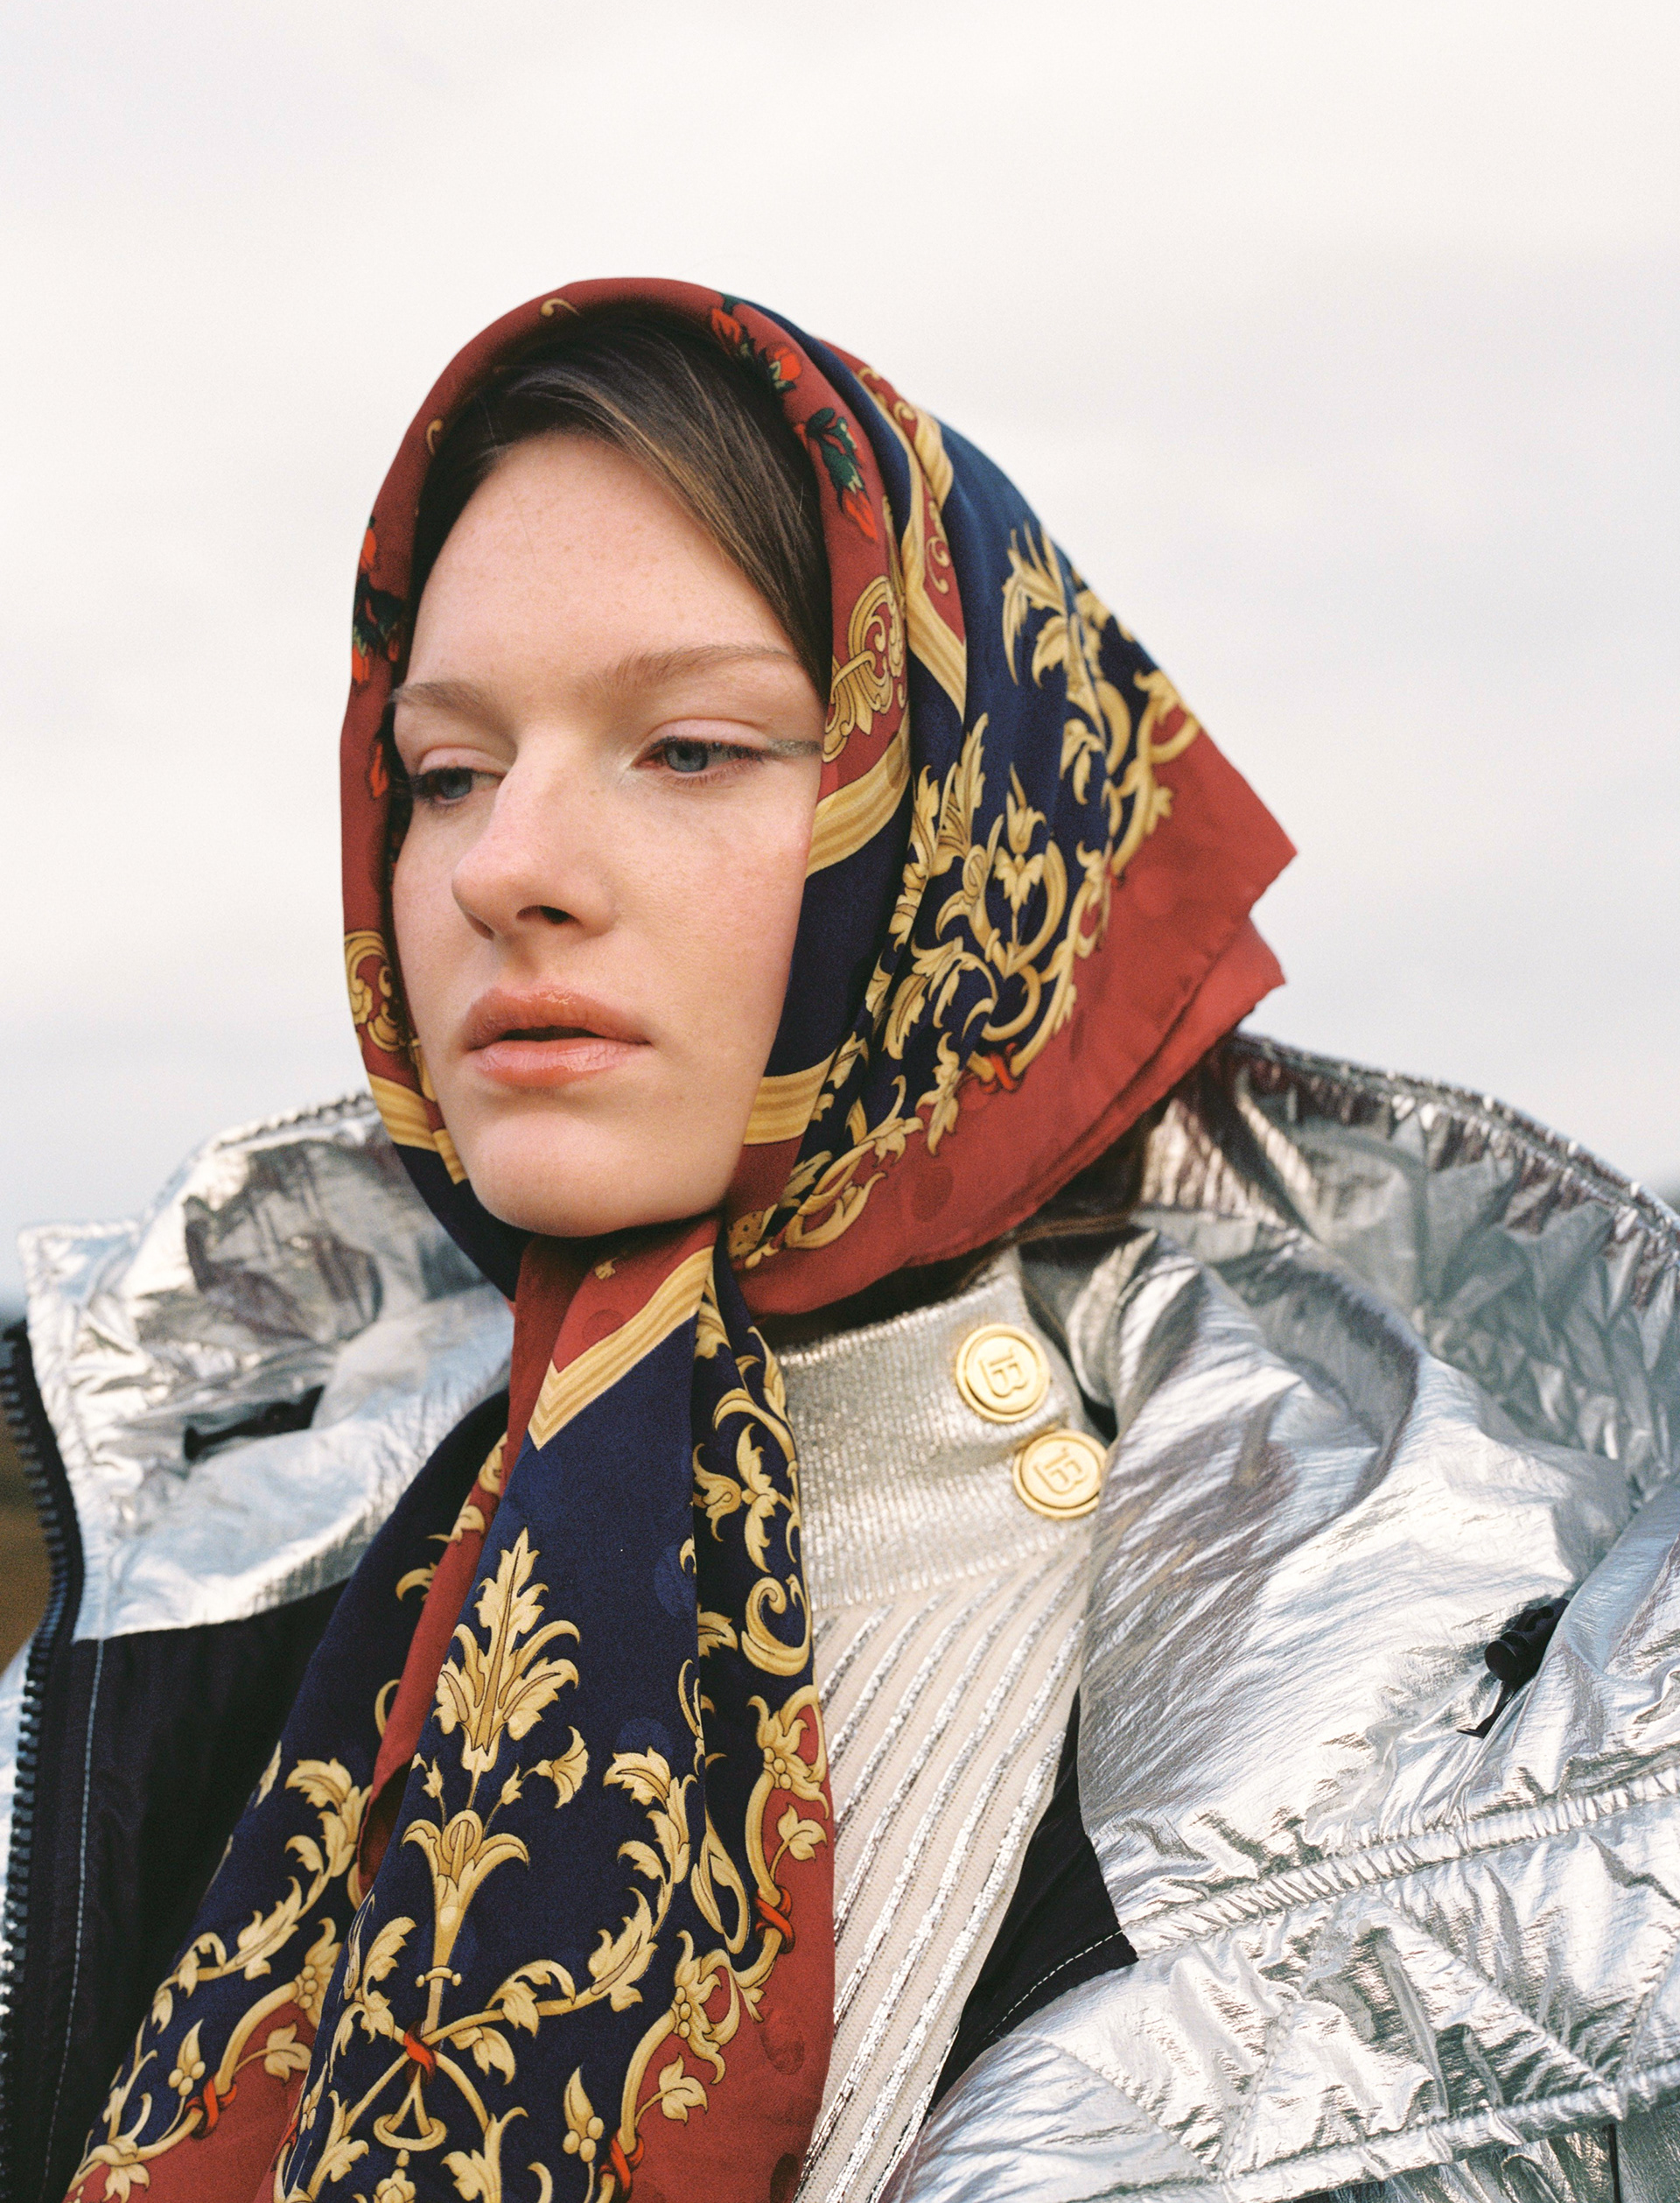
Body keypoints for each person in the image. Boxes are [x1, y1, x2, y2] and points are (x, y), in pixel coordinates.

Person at [1, 279, 1674, 2203]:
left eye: (690, 747)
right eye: (446, 769)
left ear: (964, 826)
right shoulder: (200, 1597)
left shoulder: (1492, 1695)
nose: (502, 866)